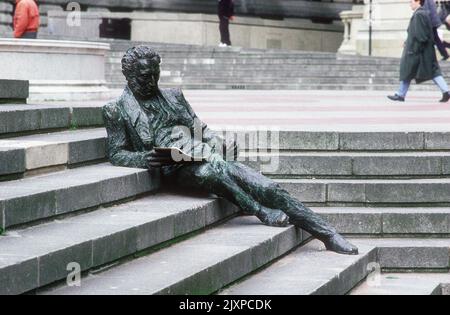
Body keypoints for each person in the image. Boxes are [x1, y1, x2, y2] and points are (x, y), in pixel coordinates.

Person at [102, 46, 359, 256]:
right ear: (128, 76)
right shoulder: (117, 109)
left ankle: (328, 234)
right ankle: (259, 210)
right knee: (210, 172)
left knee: (269, 187)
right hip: (171, 167)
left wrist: (219, 142)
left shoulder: (174, 96)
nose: (151, 81)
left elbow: (201, 129)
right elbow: (117, 153)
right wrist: (145, 158)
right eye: (143, 77)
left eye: (154, 74)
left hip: (201, 154)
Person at [388, 0, 450, 103]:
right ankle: (446, 91)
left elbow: (421, 35)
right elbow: (416, 33)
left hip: (417, 51)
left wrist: (413, 48)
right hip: (421, 50)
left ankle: (400, 95)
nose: (410, 3)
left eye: (411, 1)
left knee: (409, 70)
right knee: (431, 71)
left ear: (418, 2)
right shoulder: (421, 13)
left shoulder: (419, 14)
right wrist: (407, 41)